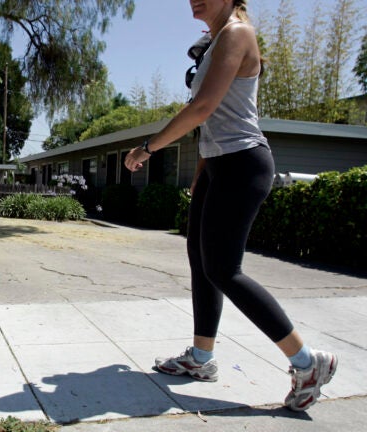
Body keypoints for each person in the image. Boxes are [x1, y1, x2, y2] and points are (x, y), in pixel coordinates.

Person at [124, 0, 337, 411]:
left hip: (244, 163)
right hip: (219, 165)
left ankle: (309, 362)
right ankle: (201, 358)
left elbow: (201, 108)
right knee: (200, 260)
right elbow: (213, 119)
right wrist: (203, 172)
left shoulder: (237, 34)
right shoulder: (216, 40)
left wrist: (147, 148)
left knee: (223, 268)